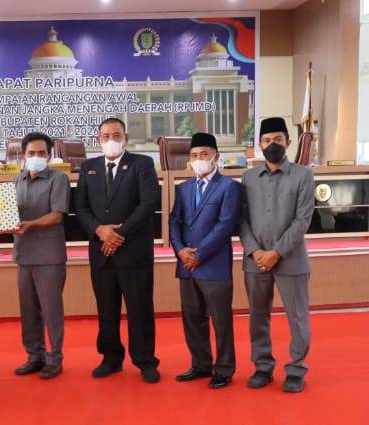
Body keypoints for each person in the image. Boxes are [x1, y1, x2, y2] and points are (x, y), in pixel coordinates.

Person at [75, 117, 161, 383]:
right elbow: (81, 208)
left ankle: (145, 360)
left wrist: (118, 234)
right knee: (106, 308)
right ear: (98, 140)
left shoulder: (142, 164)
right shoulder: (88, 167)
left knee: (140, 308)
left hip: (133, 250)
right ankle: (111, 358)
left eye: (116, 135)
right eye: (106, 136)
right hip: (101, 252)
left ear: (126, 138)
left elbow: (149, 204)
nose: (111, 140)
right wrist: (99, 230)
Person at [240, 117, 314, 393]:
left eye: (278, 139)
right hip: (256, 260)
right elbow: (241, 220)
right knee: (258, 316)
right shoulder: (248, 178)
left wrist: (276, 252)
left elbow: (302, 220)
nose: (272, 144)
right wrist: (256, 251)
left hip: (291, 259)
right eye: (267, 140)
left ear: (288, 142)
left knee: (297, 316)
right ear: (260, 144)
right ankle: (262, 367)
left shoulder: (303, 175)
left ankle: (296, 369)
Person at [169, 132, 241, 389]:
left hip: (214, 265)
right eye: (194, 155)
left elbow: (224, 226)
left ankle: (224, 369)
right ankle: (200, 365)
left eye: (204, 155)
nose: (199, 159)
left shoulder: (229, 187)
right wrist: (180, 251)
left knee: (220, 320)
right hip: (186, 266)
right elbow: (174, 222)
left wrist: (198, 255)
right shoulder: (183, 188)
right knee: (192, 318)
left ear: (215, 157)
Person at [12, 132, 70, 379]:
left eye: (41, 153)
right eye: (31, 153)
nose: (36, 157)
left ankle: (54, 358)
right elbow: (10, 212)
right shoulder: (17, 179)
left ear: (49, 155)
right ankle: (34, 356)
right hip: (23, 254)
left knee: (51, 310)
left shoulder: (58, 178)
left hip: (49, 255)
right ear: (23, 155)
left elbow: (57, 215)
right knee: (28, 310)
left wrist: (30, 224)